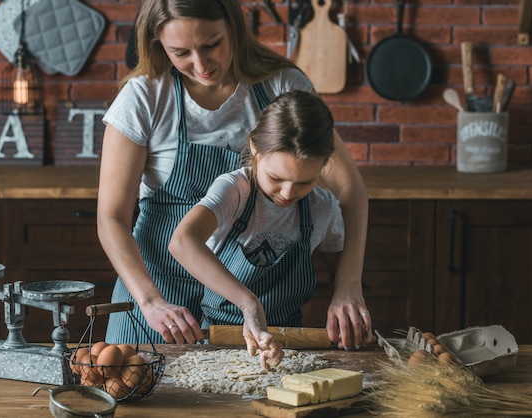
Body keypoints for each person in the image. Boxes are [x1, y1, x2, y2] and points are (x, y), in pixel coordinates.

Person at [97, 0, 371, 352]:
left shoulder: (282, 85)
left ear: (233, 27)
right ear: (157, 45)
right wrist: (150, 301)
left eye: (212, 44)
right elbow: (111, 218)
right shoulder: (143, 97)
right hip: (157, 294)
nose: (201, 65)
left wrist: (348, 285)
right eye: (181, 52)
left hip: (252, 304)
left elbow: (349, 191)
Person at [169, 90, 343, 368]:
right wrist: (250, 305)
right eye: (277, 178)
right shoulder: (234, 190)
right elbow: (182, 242)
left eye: (304, 183)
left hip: (289, 342)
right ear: (255, 149)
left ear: (323, 165)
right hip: (218, 339)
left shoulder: (324, 208)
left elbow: (339, 268)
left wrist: (344, 299)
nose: (288, 193)